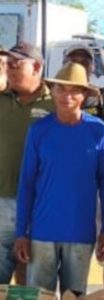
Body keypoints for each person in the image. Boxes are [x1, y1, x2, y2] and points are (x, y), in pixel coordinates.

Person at [13, 63, 104, 295]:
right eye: (61, 89)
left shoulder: (98, 131)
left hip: (80, 234)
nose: (67, 96)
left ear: (85, 95)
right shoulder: (39, 130)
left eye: (75, 90)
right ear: (53, 91)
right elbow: (26, 183)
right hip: (41, 233)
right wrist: (21, 233)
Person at [63, 43, 104, 298]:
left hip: (102, 183)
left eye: (85, 60)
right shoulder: (58, 94)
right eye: (74, 59)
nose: (79, 64)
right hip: (69, 185)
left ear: (92, 67)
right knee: (72, 255)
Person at [0, 43, 55, 285]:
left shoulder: (56, 105)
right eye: (7, 64)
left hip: (38, 204)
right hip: (1, 201)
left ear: (37, 67)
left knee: (30, 284)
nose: (9, 69)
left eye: (16, 64)